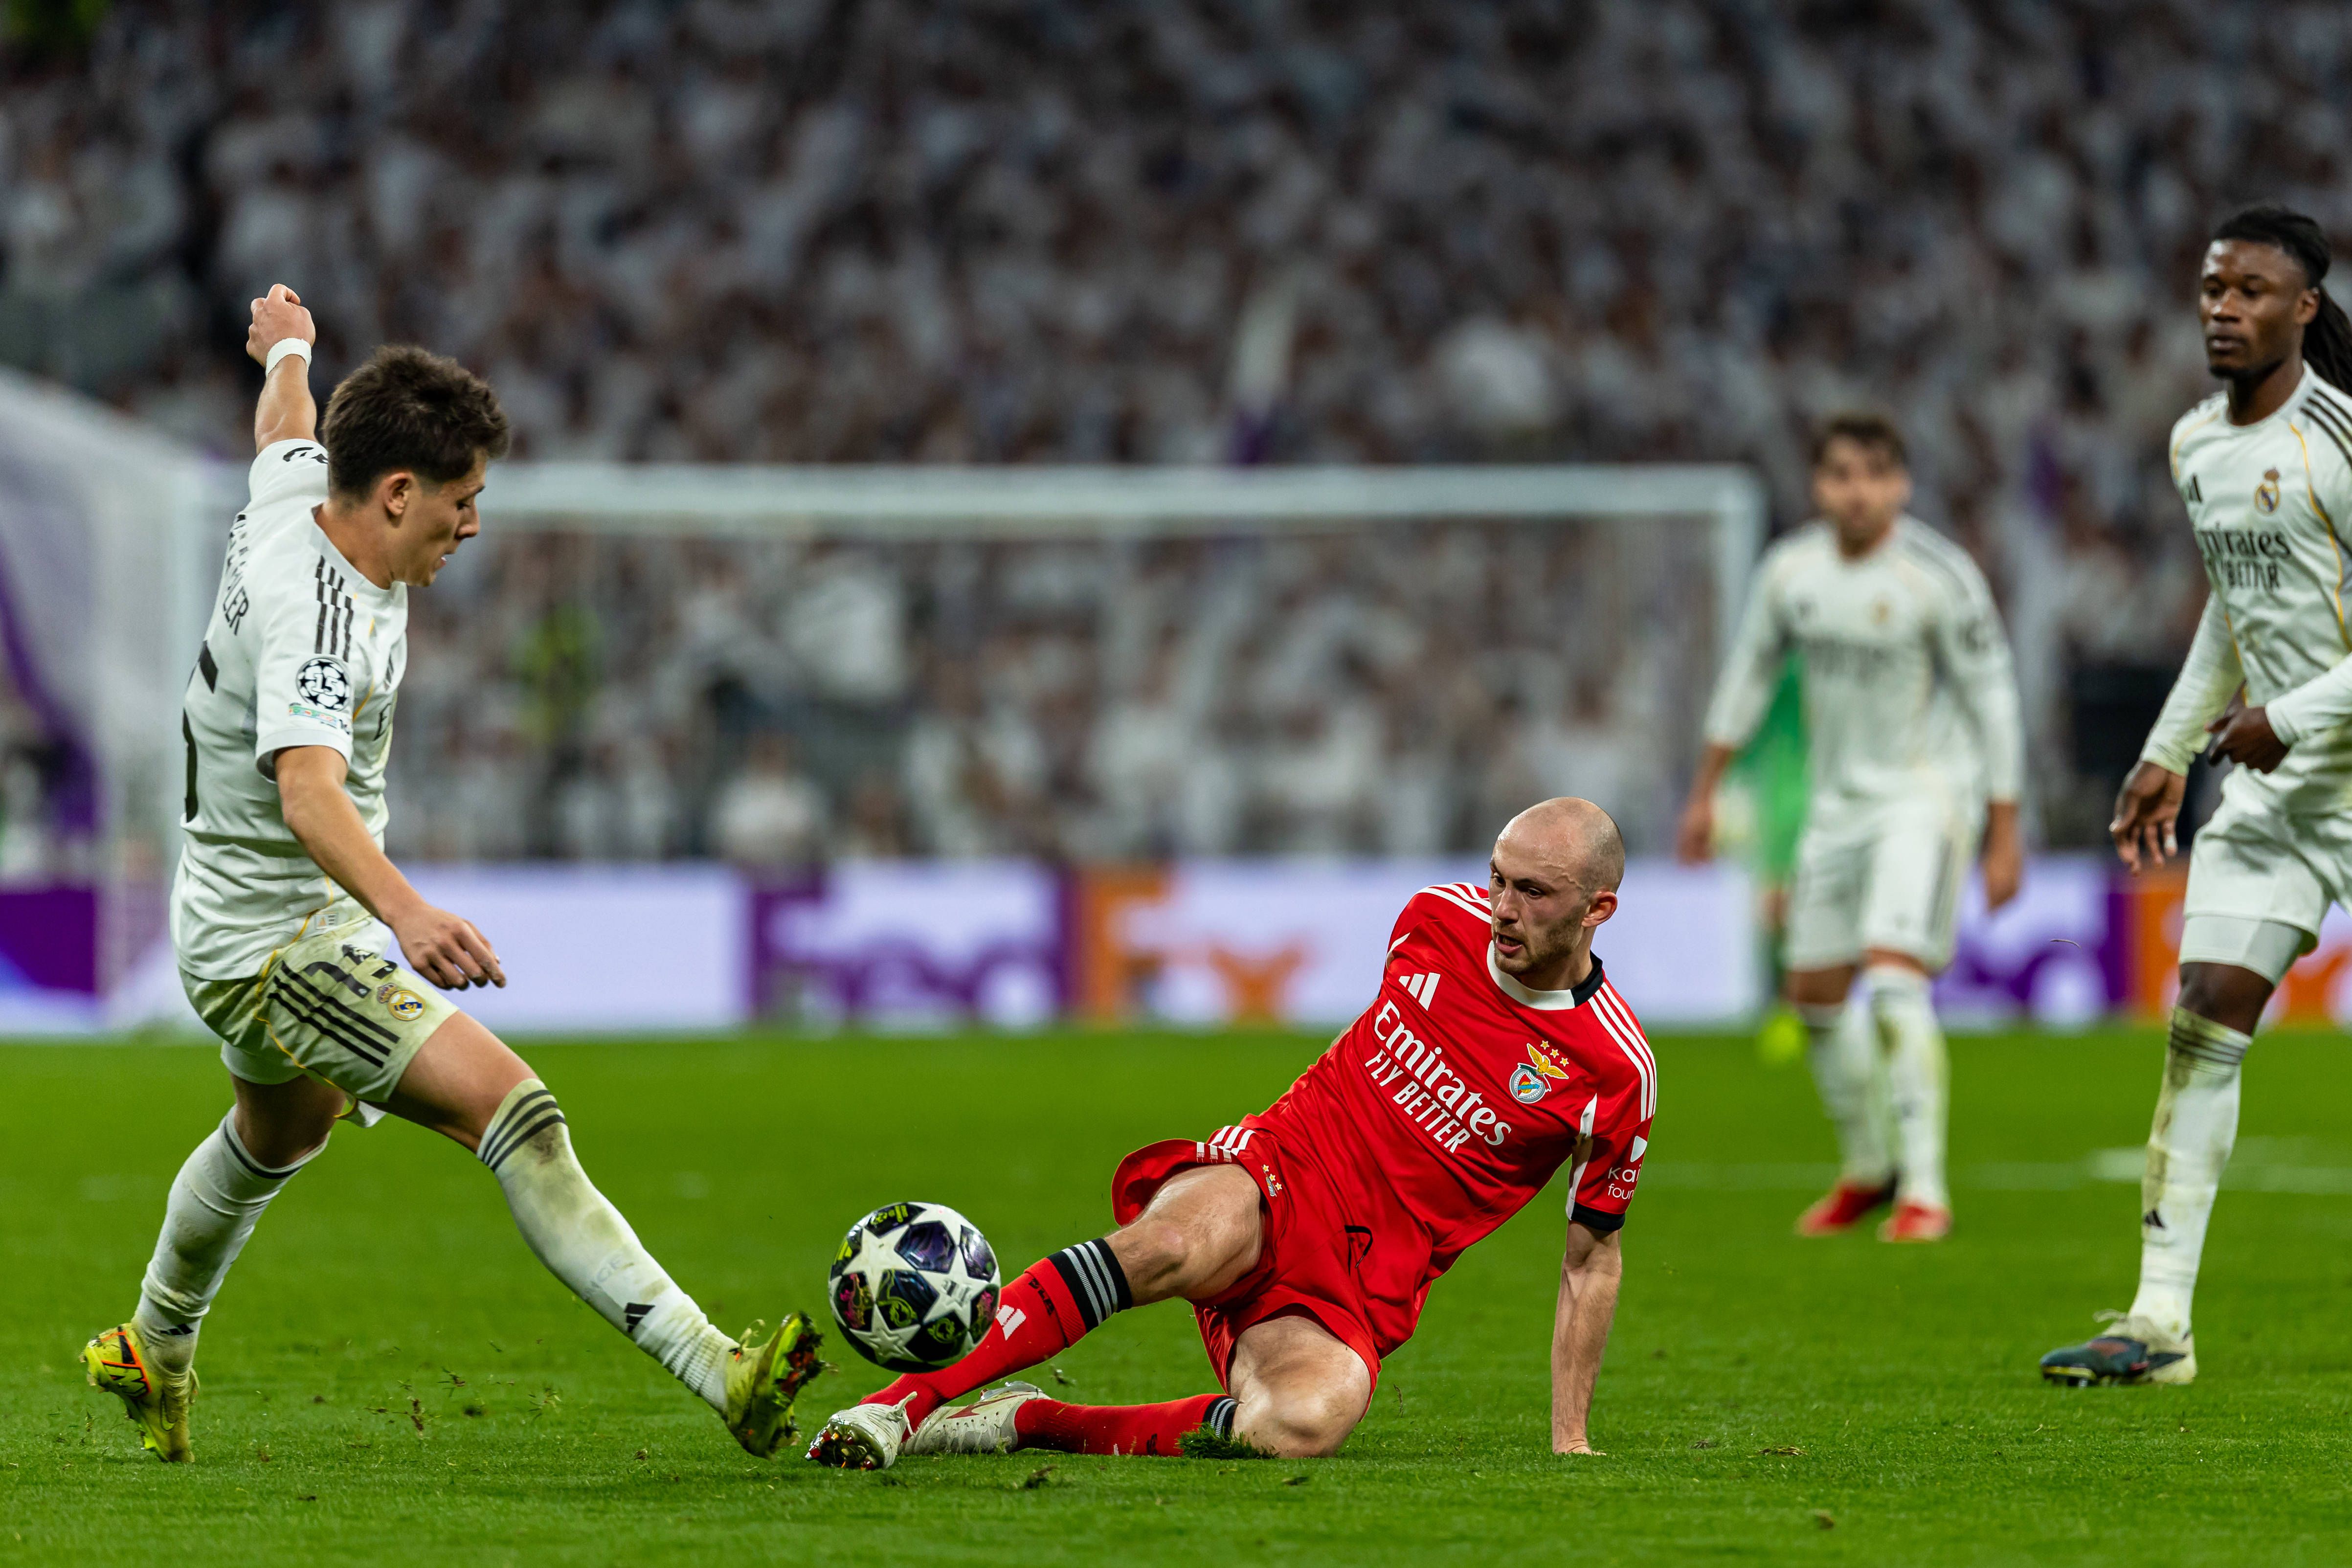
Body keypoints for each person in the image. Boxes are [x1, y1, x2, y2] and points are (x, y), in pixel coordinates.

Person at [82, 286, 818, 1461]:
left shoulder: (299, 494)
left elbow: (283, 425)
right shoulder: (321, 621)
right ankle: (717, 1366)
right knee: (514, 1110)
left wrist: (289, 348)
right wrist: (410, 914)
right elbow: (308, 792)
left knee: (280, 1132)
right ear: (394, 494)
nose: (472, 525)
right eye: (462, 501)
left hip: (245, 909)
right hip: (280, 942)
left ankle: (152, 1343)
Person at [804, 797, 1653, 1467]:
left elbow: (1591, 1259)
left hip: (1358, 1284)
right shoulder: (1434, 919)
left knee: (1303, 1424)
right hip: (1281, 1167)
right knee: (1169, 1242)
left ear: (1596, 908)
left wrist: (1569, 1435)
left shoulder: (1613, 1070)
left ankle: (1028, 1418)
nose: (1502, 908)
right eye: (1497, 878)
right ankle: (898, 1406)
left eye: (1531, 893)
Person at [2041, 205, 2352, 1386]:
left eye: (2252, 292)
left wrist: (2289, 717)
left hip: (2314, 752)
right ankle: (2156, 1323)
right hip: (2278, 797)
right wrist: (2170, 748)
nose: (2224, 309)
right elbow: (2232, 609)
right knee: (2202, 1021)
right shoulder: (2192, 446)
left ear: (2302, 309)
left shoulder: (2337, 441)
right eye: (2213, 289)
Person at [1679, 413, 2026, 1243]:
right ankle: (1870, 1170)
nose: (1857, 490)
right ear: (1817, 485)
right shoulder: (1789, 571)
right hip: (1835, 807)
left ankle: (1927, 1192)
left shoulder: (1936, 574)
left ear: (1900, 485)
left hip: (1923, 793)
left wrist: (2004, 828)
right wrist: (1704, 792)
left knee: (1894, 971)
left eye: (1874, 473)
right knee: (1816, 998)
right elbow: (1746, 677)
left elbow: (1992, 696)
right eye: (1839, 473)